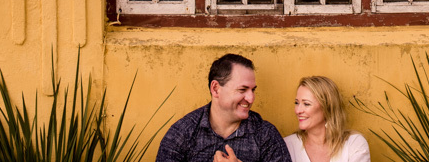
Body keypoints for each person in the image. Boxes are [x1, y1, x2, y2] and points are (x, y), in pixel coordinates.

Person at [156, 53, 292, 162]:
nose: (251, 98)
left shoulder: (265, 135)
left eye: (253, 90)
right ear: (215, 89)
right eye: (242, 90)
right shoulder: (182, 133)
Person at [284, 76, 370, 162]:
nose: (298, 110)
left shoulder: (354, 144)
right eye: (296, 103)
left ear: (327, 107)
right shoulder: (287, 145)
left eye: (306, 104)